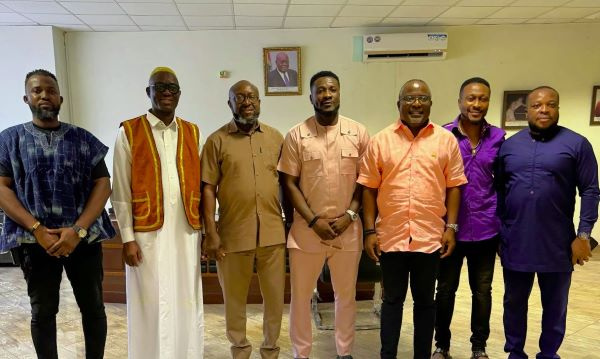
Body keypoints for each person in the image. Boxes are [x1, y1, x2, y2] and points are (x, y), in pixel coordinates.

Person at [0, 69, 116, 359]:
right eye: (37, 90)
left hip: (82, 240)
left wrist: (77, 230)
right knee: (43, 311)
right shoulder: (9, 140)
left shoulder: (82, 139)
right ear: (26, 98)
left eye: (50, 90)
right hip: (35, 241)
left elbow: (103, 184)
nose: (44, 95)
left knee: (93, 308)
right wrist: (37, 228)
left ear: (60, 98)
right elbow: (2, 188)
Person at [359, 79, 467, 359]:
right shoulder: (380, 141)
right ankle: (388, 355)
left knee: (425, 303)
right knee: (392, 301)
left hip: (429, 237)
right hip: (391, 237)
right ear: (399, 104)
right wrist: (369, 231)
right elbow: (369, 189)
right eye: (409, 98)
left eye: (422, 98)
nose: (416, 103)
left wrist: (451, 227)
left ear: (430, 103)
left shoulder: (446, 141)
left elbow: (455, 185)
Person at [496, 86, 599, 359]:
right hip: (516, 241)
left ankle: (549, 354)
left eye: (550, 104)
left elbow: (590, 191)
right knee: (513, 303)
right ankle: (515, 352)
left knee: (555, 306)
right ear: (526, 110)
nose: (544, 110)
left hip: (558, 243)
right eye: (537, 105)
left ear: (557, 108)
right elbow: (499, 192)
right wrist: (499, 232)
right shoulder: (509, 147)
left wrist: (584, 235)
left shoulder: (577, 144)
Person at [111, 67, 204, 358]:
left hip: (186, 231)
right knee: (150, 299)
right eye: (160, 86)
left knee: (186, 297)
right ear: (148, 92)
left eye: (173, 88)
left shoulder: (191, 131)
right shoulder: (129, 131)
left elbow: (198, 183)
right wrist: (127, 238)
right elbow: (121, 190)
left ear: (179, 94)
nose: (167, 92)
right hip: (146, 233)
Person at [278, 70, 369, 359]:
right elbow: (288, 183)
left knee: (346, 297)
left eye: (331, 89)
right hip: (307, 232)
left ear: (339, 94)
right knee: (301, 298)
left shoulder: (359, 133)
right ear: (311, 97)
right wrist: (314, 221)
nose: (326, 95)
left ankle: (345, 352)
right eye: (320, 90)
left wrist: (351, 215)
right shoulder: (296, 135)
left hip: (348, 229)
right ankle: (301, 354)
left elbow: (366, 181)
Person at [201, 80, 286, 359]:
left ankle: (271, 349)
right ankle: (240, 349)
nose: (246, 101)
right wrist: (210, 233)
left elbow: (286, 184)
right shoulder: (216, 141)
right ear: (230, 104)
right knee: (234, 301)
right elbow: (208, 188)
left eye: (251, 97)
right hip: (232, 234)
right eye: (239, 97)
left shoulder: (276, 138)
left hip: (273, 234)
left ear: (260, 102)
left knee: (274, 299)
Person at [432, 77, 505, 359]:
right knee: (446, 290)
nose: (476, 104)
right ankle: (442, 345)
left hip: (487, 228)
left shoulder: (499, 138)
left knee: (482, 292)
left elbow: (503, 182)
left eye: (483, 98)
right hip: (450, 229)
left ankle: (479, 347)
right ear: (460, 100)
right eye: (471, 98)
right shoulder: (442, 135)